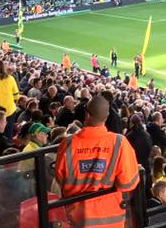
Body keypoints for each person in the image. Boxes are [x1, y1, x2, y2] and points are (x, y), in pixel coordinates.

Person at [55, 95, 139, 228]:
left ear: (87, 114)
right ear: (107, 116)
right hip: (112, 220)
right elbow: (128, 184)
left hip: (77, 218)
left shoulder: (68, 144)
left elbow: (60, 179)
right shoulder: (120, 142)